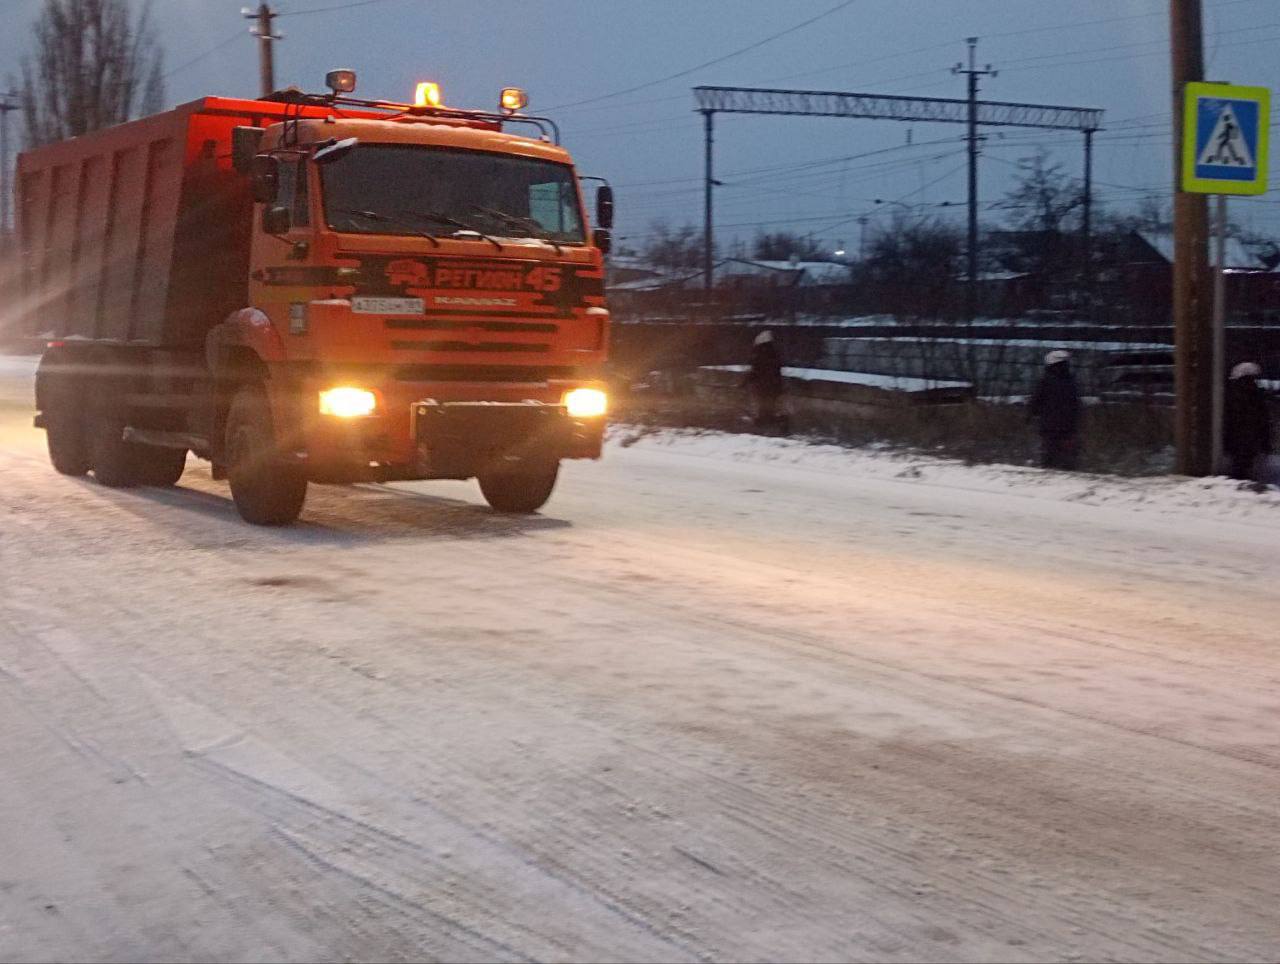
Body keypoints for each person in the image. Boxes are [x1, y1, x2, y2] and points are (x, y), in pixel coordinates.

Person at [1028, 349, 1082, 470]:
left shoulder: (1045, 381)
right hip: (1068, 425)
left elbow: (1035, 401)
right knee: (1068, 452)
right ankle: (1069, 470)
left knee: (1049, 453)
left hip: (1049, 425)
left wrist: (1030, 414)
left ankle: (1050, 472)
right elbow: (1076, 403)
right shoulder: (1071, 381)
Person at [1223, 361, 1272, 483]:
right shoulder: (1256, 394)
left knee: (1238, 465)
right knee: (1247, 465)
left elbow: (1228, 417)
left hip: (1236, 435)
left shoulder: (1232, 393)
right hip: (1252, 436)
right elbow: (1263, 419)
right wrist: (1266, 442)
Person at [745, 330, 786, 431]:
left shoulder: (759, 354)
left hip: (763, 386)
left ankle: (765, 425)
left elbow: (755, 371)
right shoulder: (774, 353)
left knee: (763, 409)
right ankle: (775, 424)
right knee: (769, 408)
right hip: (774, 386)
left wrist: (744, 382)